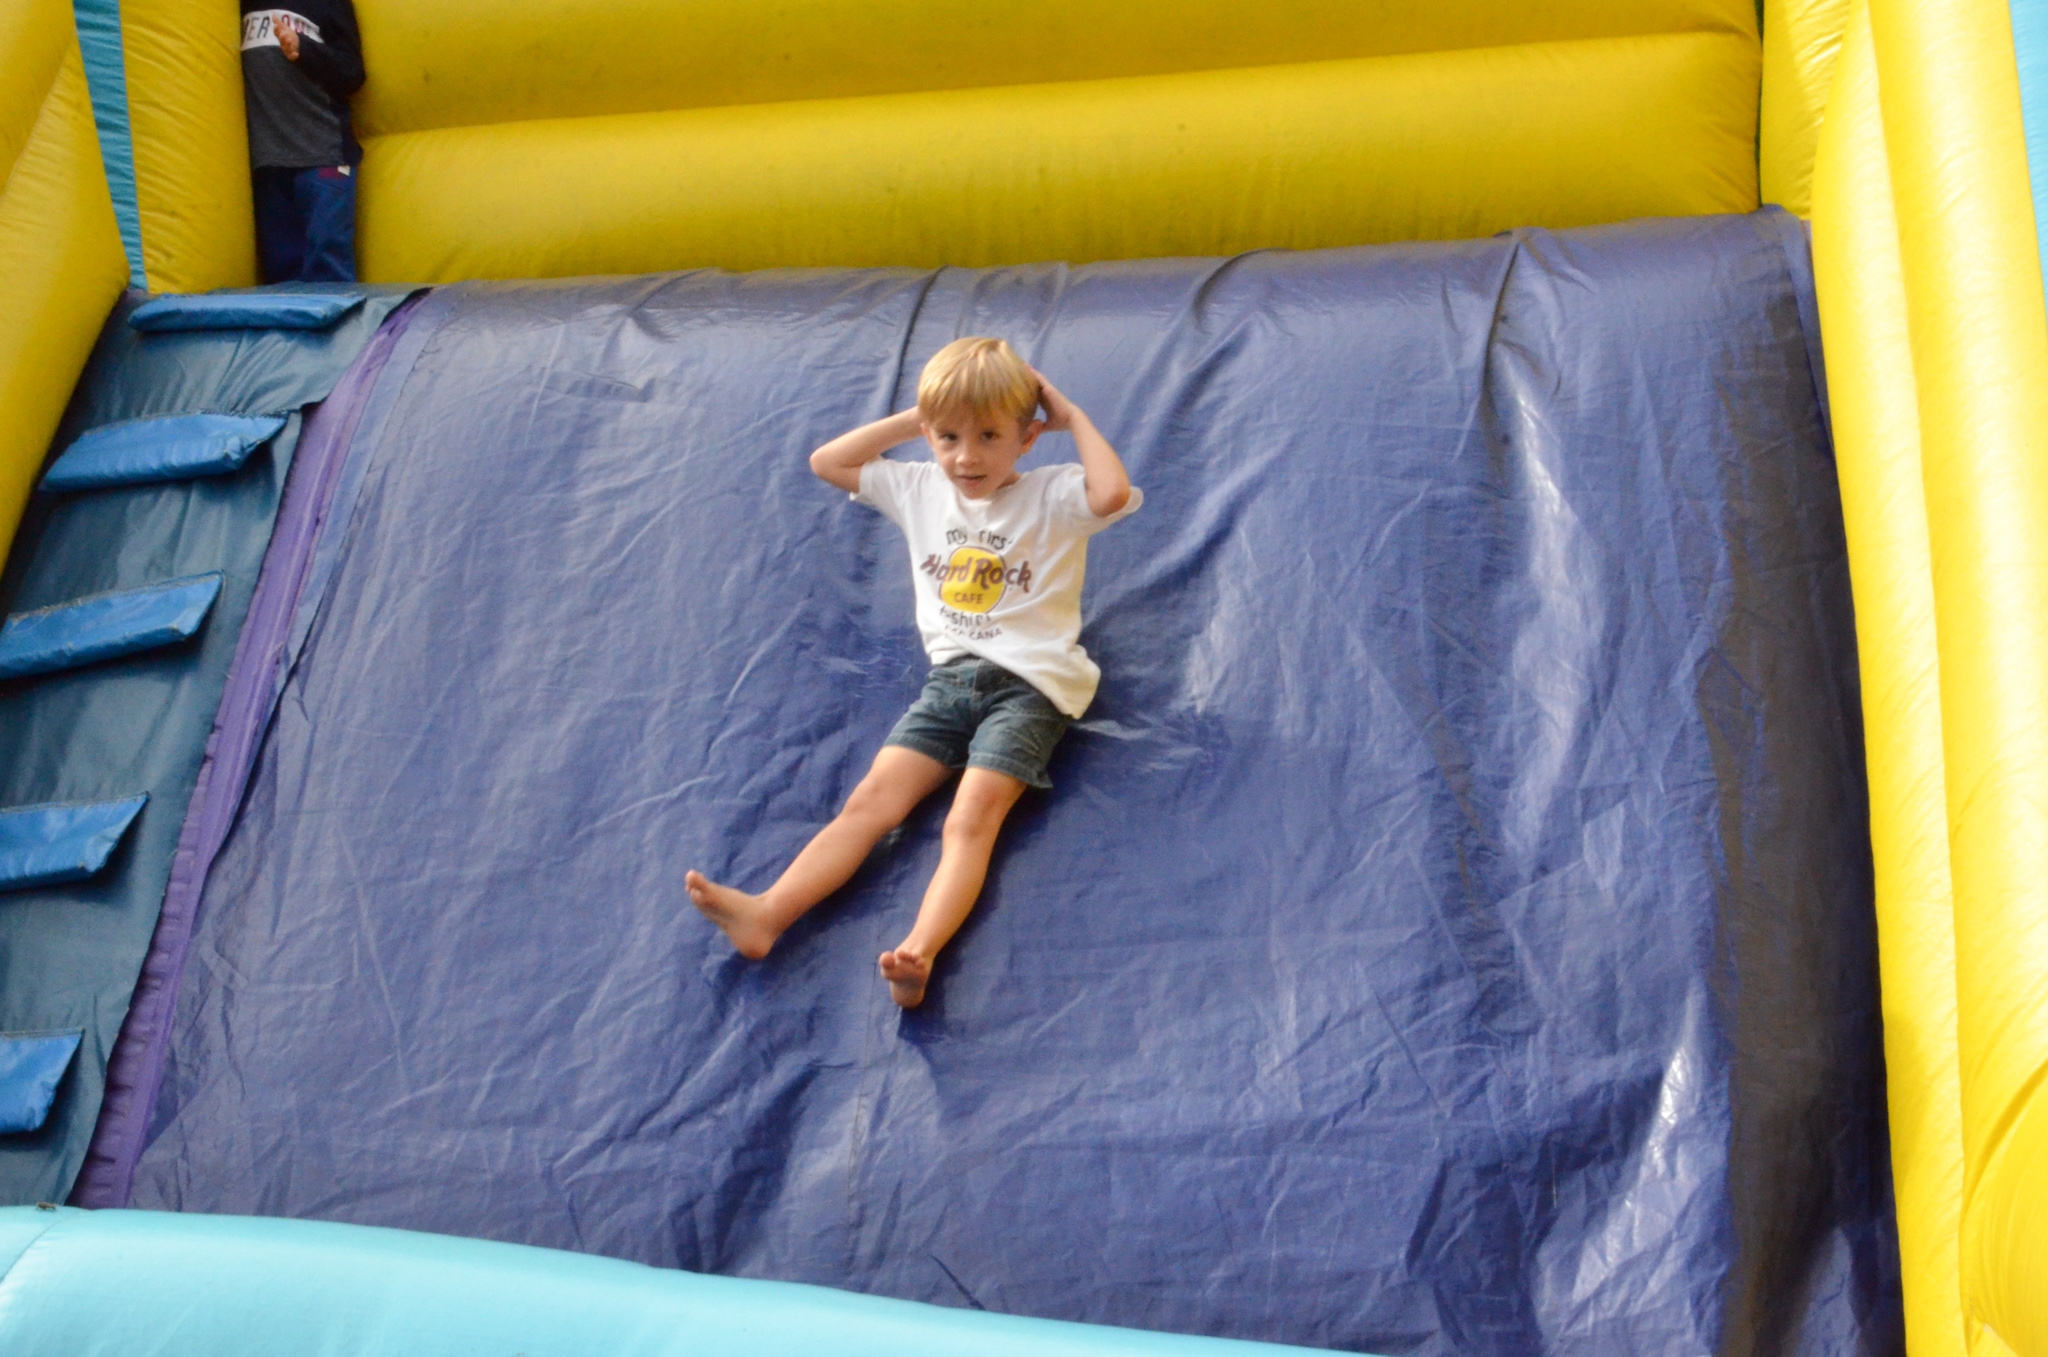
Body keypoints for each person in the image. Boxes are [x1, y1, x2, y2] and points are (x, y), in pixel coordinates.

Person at [687, 337, 1143, 1007]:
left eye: (989, 436)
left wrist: (1070, 417)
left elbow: (1112, 492)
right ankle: (767, 913)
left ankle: (919, 952)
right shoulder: (920, 487)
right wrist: (920, 420)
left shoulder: (1053, 493)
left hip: (1031, 689)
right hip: (949, 683)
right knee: (871, 802)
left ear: (1028, 437)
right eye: (949, 437)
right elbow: (827, 461)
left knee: (970, 819)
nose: (966, 457)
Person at [239, 3, 365, 283]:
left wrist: (304, 49)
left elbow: (353, 73)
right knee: (282, 272)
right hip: (269, 161)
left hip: (324, 154)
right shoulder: (243, 5)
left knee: (328, 262)